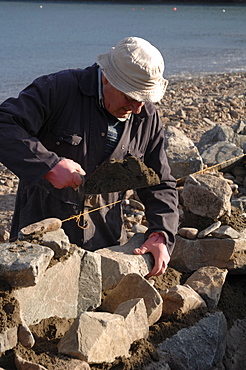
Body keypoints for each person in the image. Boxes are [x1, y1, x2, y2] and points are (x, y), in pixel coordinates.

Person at [0, 36, 179, 277]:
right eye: (130, 97)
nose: (138, 108)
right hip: (41, 241)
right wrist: (49, 165)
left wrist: (161, 234)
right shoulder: (58, 89)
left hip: (106, 242)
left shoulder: (146, 116)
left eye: (144, 98)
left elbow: (160, 182)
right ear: (107, 77)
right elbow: (4, 124)